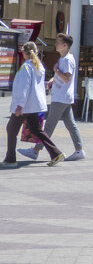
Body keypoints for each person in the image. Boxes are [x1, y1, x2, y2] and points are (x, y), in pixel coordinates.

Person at [20, 33, 84, 162]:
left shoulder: (66, 59)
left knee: (49, 126)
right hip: (64, 97)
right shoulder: (65, 58)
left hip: (61, 98)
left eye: (58, 42)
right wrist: (53, 79)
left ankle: (36, 151)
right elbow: (64, 77)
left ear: (65, 45)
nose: (55, 44)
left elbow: (67, 78)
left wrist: (56, 71)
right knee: (71, 125)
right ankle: (79, 150)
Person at [4, 42, 65, 167]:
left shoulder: (26, 67)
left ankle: (10, 159)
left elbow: (23, 87)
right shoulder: (38, 66)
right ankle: (56, 153)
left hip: (24, 106)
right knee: (36, 129)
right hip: (34, 105)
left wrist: (19, 105)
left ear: (23, 53)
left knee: (11, 130)